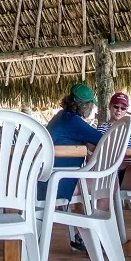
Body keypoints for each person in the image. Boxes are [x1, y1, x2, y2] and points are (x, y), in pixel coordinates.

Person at [45, 83, 104, 252]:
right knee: (109, 184)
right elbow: (104, 140)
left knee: (86, 182)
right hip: (57, 183)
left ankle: (82, 234)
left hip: (48, 179)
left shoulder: (62, 117)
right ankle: (95, 234)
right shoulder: (73, 122)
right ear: (86, 106)